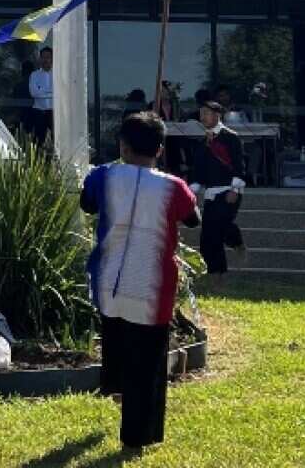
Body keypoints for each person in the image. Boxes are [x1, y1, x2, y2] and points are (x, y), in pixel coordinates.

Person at [81, 112, 201, 453]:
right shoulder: (172, 187)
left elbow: (86, 204)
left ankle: (117, 388)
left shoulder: (103, 176)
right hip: (152, 287)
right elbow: (193, 219)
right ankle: (136, 435)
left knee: (116, 337)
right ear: (160, 149)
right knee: (147, 361)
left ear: (122, 145)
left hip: (109, 282)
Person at [188, 101, 247, 276]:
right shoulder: (202, 142)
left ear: (216, 115)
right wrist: (191, 190)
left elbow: (238, 164)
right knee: (208, 236)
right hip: (211, 192)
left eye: (206, 113)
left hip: (229, 190)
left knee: (220, 225)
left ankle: (237, 242)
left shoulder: (231, 137)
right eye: (201, 113)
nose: (202, 117)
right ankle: (216, 273)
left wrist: (235, 189)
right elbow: (198, 171)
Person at [29, 47, 54, 146]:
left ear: (52, 58)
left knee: (57, 141)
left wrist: (42, 92)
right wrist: (51, 93)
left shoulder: (58, 74)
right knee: (38, 142)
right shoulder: (34, 75)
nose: (45, 60)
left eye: (48, 57)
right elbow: (34, 93)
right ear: (40, 59)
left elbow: (60, 93)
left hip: (54, 112)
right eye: (43, 57)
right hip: (39, 112)